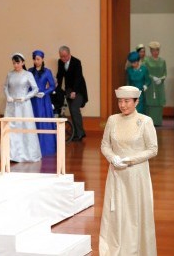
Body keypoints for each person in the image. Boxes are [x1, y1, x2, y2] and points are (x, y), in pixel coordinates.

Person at [100, 86, 158, 256]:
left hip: (136, 174)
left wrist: (130, 160)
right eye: (120, 101)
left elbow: (153, 149)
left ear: (136, 102)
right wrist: (113, 158)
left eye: (127, 101)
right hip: (116, 173)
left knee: (134, 212)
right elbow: (105, 145)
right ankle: (114, 248)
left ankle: (136, 250)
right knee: (116, 212)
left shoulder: (145, 121)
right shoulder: (112, 120)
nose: (123, 105)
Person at [4, 53, 41, 162]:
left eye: (18, 63)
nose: (16, 65)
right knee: (11, 129)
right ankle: (12, 154)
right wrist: (8, 96)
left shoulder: (28, 74)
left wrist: (26, 97)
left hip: (24, 105)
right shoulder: (9, 74)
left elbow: (35, 89)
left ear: (23, 62)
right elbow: (5, 87)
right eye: (14, 63)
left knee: (25, 127)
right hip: (12, 105)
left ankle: (27, 154)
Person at [56, 45, 88, 141]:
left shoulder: (76, 62)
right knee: (72, 110)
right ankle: (75, 133)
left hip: (79, 89)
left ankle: (80, 133)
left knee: (74, 109)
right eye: (61, 56)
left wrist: (75, 91)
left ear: (69, 54)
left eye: (65, 56)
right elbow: (60, 76)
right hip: (68, 89)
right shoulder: (60, 62)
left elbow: (78, 78)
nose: (63, 58)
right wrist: (57, 88)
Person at [28, 50, 56, 155]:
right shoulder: (30, 71)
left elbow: (53, 85)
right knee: (33, 120)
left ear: (42, 59)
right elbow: (27, 85)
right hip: (33, 99)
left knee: (43, 121)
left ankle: (45, 148)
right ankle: (33, 148)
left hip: (43, 100)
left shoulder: (47, 71)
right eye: (35, 59)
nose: (36, 61)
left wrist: (44, 92)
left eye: (38, 59)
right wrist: (31, 93)